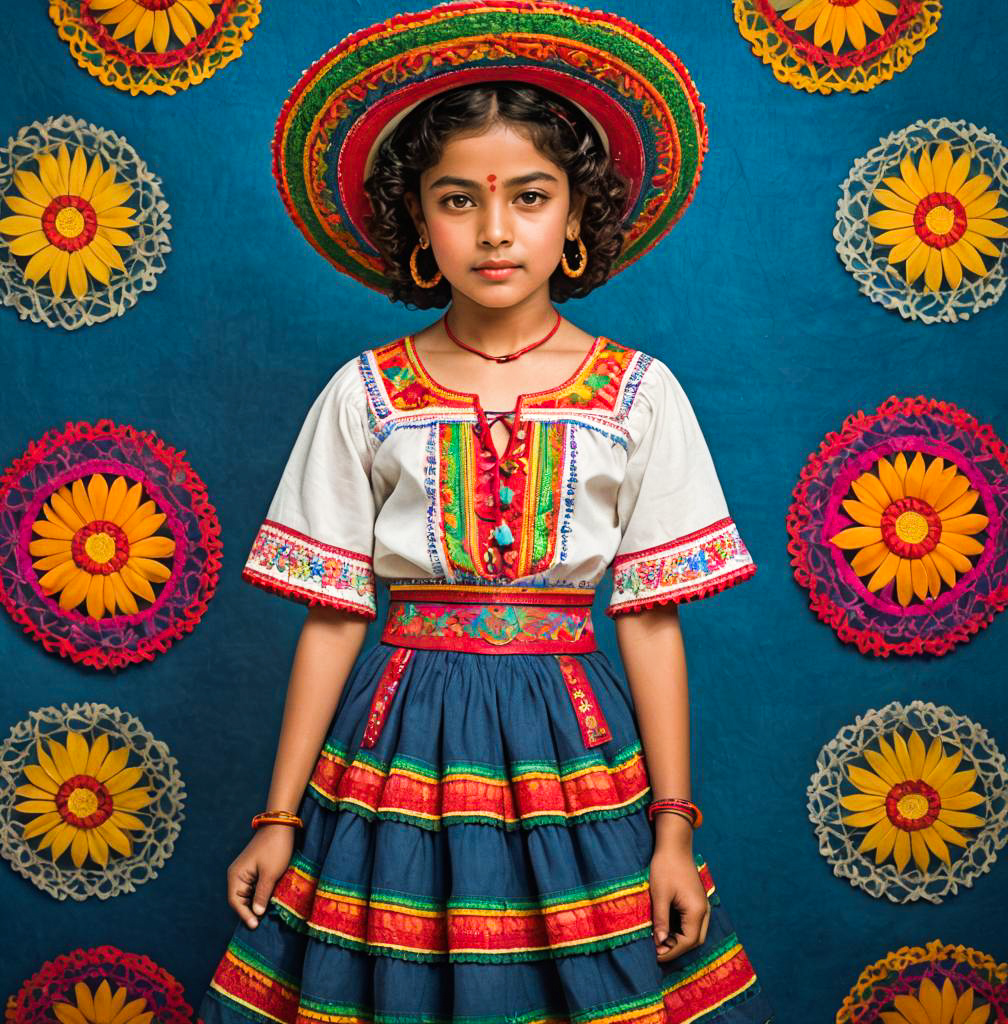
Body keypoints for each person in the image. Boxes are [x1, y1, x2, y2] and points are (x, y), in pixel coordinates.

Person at [198, 3, 774, 1021]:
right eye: (458, 198)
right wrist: (278, 816)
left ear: (576, 215)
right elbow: (334, 614)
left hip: (574, 748)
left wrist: (672, 829)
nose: (496, 230)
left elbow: (646, 616)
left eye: (530, 197)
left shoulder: (636, 392)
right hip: (397, 746)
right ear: (416, 218)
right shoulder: (365, 391)